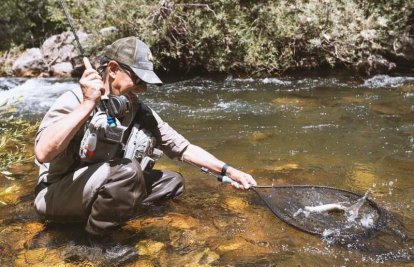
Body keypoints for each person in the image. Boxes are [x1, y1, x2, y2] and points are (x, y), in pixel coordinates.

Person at [34, 37, 257, 240]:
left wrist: (230, 171)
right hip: (55, 195)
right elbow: (43, 152)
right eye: (139, 79)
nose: (143, 88)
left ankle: (111, 216)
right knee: (128, 171)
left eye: (146, 82)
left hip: (98, 187)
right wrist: (87, 104)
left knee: (172, 182)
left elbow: (184, 148)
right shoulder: (74, 100)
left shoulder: (138, 110)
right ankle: (96, 242)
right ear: (112, 69)